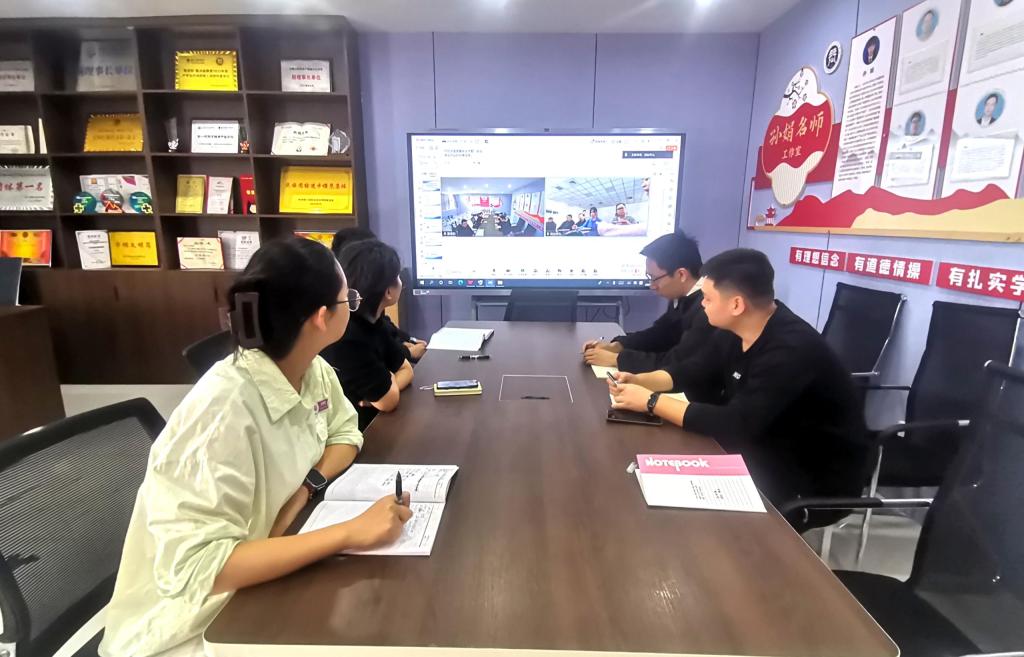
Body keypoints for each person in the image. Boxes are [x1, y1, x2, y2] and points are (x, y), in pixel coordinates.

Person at [99, 238, 412, 657]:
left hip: (268, 569)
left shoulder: (311, 368)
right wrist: (349, 532)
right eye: (348, 300)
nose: (352, 307)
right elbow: (196, 571)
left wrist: (306, 488)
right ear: (322, 317)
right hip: (195, 626)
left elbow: (345, 432)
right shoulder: (222, 412)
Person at [608, 248, 869, 516]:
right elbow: (693, 370)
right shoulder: (738, 328)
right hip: (762, 446)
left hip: (810, 476)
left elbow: (736, 424)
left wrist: (651, 401)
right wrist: (641, 380)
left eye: (708, 298)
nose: (702, 304)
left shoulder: (791, 349)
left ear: (736, 305)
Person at [583, 231, 711, 373]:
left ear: (681, 274)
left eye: (654, 278)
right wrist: (618, 346)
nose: (652, 286)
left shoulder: (708, 308)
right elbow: (660, 334)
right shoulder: (681, 296)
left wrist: (617, 359)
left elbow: (680, 362)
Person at [322, 239, 414, 430]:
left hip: (373, 421)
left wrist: (388, 383)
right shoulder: (348, 337)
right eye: (397, 276)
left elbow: (407, 369)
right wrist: (389, 383)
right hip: (355, 431)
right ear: (388, 292)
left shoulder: (375, 322)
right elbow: (388, 401)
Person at [331, 227, 427, 362]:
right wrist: (407, 353)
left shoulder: (374, 317)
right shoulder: (350, 331)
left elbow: (389, 339)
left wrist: (408, 343)